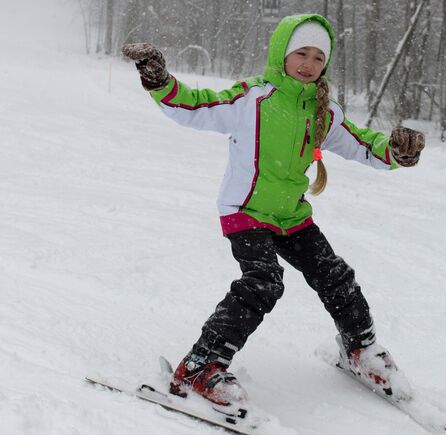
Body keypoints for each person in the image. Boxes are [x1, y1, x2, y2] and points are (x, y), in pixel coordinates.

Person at [121, 14, 424, 410]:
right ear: (282, 53)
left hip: (292, 215)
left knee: (335, 275)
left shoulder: (323, 112)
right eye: (301, 53)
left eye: (318, 57)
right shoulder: (252, 98)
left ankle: (361, 349)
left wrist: (395, 151)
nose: (308, 64)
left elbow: (362, 144)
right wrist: (160, 81)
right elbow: (194, 106)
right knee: (264, 281)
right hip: (246, 210)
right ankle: (200, 366)